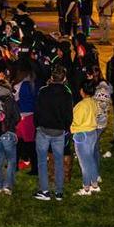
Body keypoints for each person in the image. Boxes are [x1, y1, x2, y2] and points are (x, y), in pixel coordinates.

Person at [33, 65, 73, 201]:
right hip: (58, 132)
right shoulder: (67, 94)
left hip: (43, 130)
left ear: (51, 77)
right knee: (58, 161)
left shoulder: (43, 91)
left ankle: (44, 190)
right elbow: (69, 116)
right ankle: (59, 191)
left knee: (42, 161)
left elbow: (37, 111)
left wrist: (37, 125)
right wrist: (64, 127)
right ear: (64, 78)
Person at [71, 80, 101, 196]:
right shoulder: (93, 102)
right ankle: (94, 185)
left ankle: (86, 188)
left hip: (81, 135)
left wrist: (70, 128)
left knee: (84, 163)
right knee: (90, 160)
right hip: (92, 133)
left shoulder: (81, 105)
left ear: (82, 91)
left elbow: (76, 121)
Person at [90, 66, 112, 181]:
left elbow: (102, 106)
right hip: (95, 122)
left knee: (94, 147)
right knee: (94, 146)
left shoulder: (102, 88)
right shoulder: (98, 86)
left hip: (99, 122)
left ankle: (96, 173)